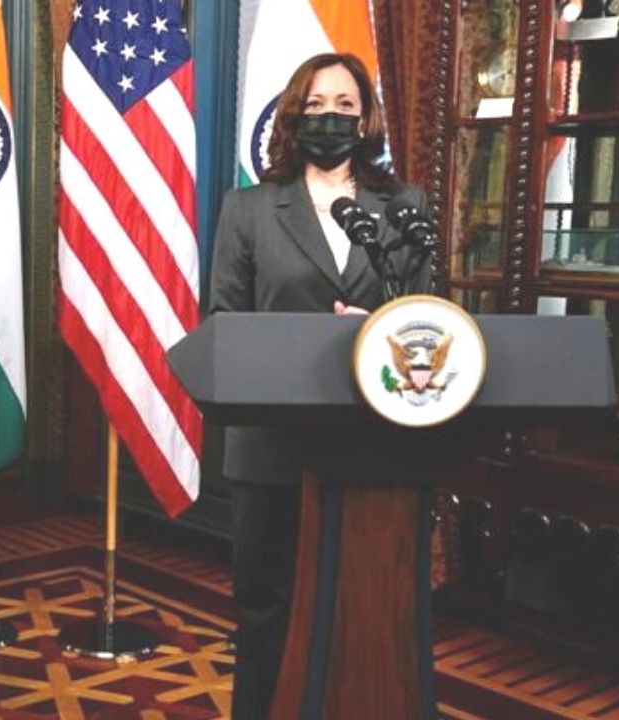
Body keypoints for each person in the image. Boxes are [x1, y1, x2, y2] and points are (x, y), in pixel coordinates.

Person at [209, 52, 431, 720]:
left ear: (365, 119)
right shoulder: (249, 208)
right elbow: (224, 322)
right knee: (266, 606)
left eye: (344, 105)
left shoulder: (405, 207)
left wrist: (379, 330)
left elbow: (427, 316)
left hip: (371, 441)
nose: (330, 117)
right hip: (270, 445)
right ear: (293, 116)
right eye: (315, 105)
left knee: (363, 604)